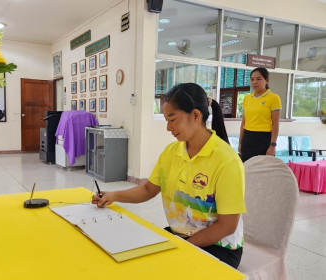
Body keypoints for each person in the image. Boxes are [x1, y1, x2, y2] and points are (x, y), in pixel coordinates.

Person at [92, 83, 246, 268]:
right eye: (166, 120)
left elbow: (227, 226)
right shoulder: (171, 152)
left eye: (172, 119)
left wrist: (184, 246)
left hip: (220, 247)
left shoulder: (226, 161)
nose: (168, 127)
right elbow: (148, 189)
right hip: (181, 236)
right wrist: (113, 195)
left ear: (195, 116)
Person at [238, 67, 281, 162]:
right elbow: (243, 123)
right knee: (246, 170)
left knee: (263, 172)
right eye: (252, 79)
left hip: (264, 140)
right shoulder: (247, 98)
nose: (254, 82)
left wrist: (273, 145)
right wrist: (240, 143)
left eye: (258, 79)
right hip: (247, 139)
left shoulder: (274, 98)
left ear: (266, 80)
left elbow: (275, 124)